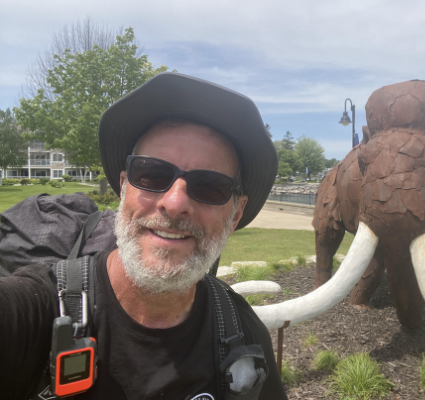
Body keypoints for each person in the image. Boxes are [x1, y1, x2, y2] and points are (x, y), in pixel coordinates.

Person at [0, 72, 287, 400]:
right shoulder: (32, 315)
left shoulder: (244, 333)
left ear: (235, 215)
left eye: (210, 186)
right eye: (151, 174)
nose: (175, 203)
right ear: (124, 188)